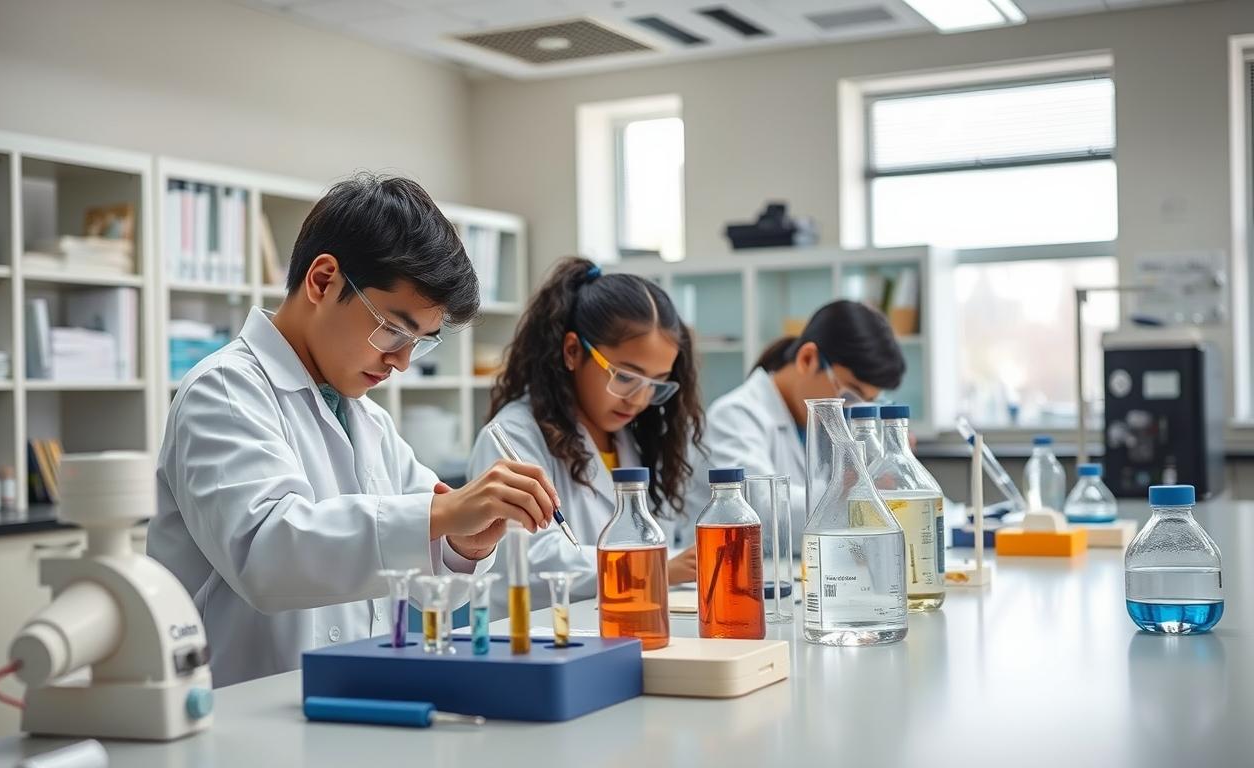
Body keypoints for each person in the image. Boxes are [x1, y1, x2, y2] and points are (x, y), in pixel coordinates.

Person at [148, 174, 560, 687]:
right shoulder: (224, 390)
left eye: (423, 342)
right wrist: (444, 510)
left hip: (341, 700)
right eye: (394, 329)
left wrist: (463, 545)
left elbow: (423, 582)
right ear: (323, 280)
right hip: (239, 706)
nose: (404, 361)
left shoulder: (368, 420)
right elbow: (268, 555)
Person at [467, 257, 704, 611]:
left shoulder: (635, 439)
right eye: (625, 377)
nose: (640, 400)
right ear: (573, 351)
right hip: (538, 639)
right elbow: (531, 558)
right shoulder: (515, 435)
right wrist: (652, 567)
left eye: (656, 385)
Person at [687, 300, 906, 542]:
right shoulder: (734, 416)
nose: (852, 410)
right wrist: (849, 489)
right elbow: (763, 513)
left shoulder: (822, 426)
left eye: (867, 401)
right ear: (808, 359)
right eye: (850, 395)